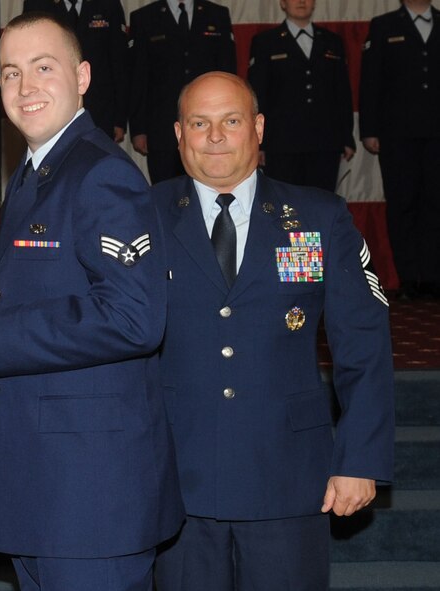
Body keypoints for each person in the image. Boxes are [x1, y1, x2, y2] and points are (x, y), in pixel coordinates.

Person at [0, 13, 183, 591]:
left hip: (94, 500)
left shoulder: (99, 174)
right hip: (46, 491)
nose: (25, 88)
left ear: (84, 76)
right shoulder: (34, 174)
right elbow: (35, 301)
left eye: (44, 68)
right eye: (10, 73)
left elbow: (133, 318)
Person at [151, 72, 394, 590]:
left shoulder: (317, 217)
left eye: (231, 121)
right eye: (200, 123)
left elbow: (363, 345)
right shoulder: (140, 216)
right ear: (178, 134)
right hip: (175, 477)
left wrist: (360, 458)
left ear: (257, 127)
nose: (215, 137)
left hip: (288, 476)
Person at [359, 0, 440, 300]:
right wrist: (368, 130)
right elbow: (371, 80)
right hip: (397, 136)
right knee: (402, 206)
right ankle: (408, 278)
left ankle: (432, 277)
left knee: (435, 205)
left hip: (436, 135)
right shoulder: (383, 25)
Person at [248, 0, 355, 192]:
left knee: (322, 204)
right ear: (282, 3)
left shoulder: (332, 41)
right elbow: (257, 95)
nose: (301, 1)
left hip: (325, 142)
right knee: (284, 205)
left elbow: (342, 94)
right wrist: (258, 142)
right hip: (281, 144)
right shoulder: (265, 42)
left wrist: (347, 137)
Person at [128, 0, 236, 183]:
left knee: (208, 187)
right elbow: (137, 77)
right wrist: (139, 129)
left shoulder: (217, 15)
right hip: (161, 127)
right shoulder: (143, 17)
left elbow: (229, 74)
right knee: (165, 192)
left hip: (210, 126)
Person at [22, 0, 130, 142]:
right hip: (51, 109)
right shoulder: (37, 4)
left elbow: (119, 64)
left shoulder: (108, 4)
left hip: (99, 111)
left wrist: (119, 120)